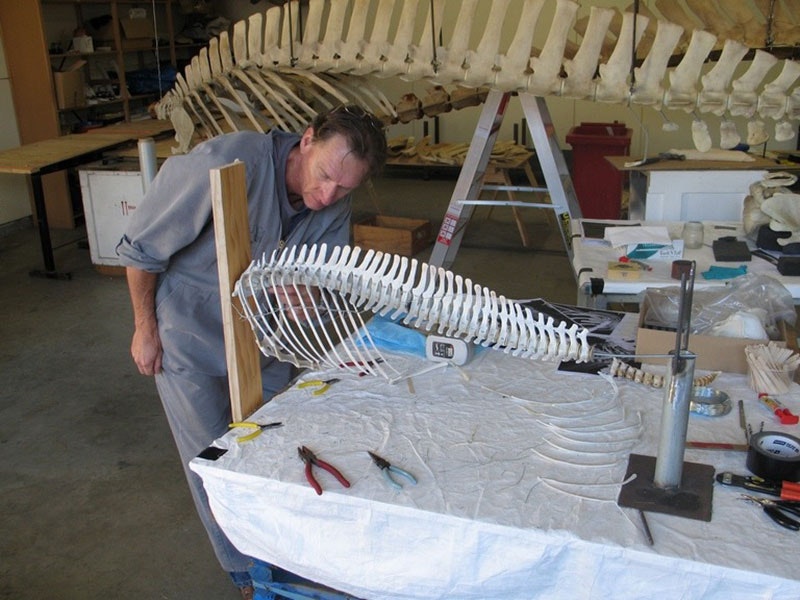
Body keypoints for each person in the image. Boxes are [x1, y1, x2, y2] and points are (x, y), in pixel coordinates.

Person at [116, 105, 387, 598]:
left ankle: (285, 551)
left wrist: (307, 303)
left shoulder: (333, 204)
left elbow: (321, 296)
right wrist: (144, 328)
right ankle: (246, 573)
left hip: (267, 342)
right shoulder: (224, 164)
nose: (329, 195)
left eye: (345, 188)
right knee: (213, 461)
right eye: (326, 176)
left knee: (278, 444)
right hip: (190, 335)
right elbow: (142, 249)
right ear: (307, 139)